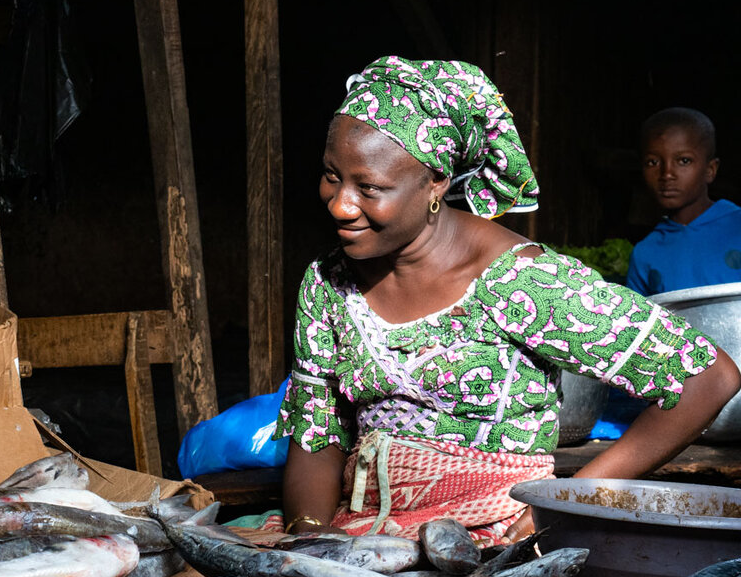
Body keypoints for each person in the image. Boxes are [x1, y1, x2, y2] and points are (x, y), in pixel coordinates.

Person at [276, 56, 740, 546]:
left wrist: (572, 501)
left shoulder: (520, 281)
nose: (340, 204)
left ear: (436, 182)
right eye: (332, 176)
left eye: (370, 188)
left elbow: (707, 378)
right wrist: (311, 540)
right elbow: (317, 433)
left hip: (493, 539)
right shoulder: (329, 282)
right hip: (362, 535)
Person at [626, 107, 741, 296]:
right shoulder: (645, 253)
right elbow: (636, 322)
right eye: (653, 162)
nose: (667, 174)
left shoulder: (737, 226)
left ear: (710, 169)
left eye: (684, 161)